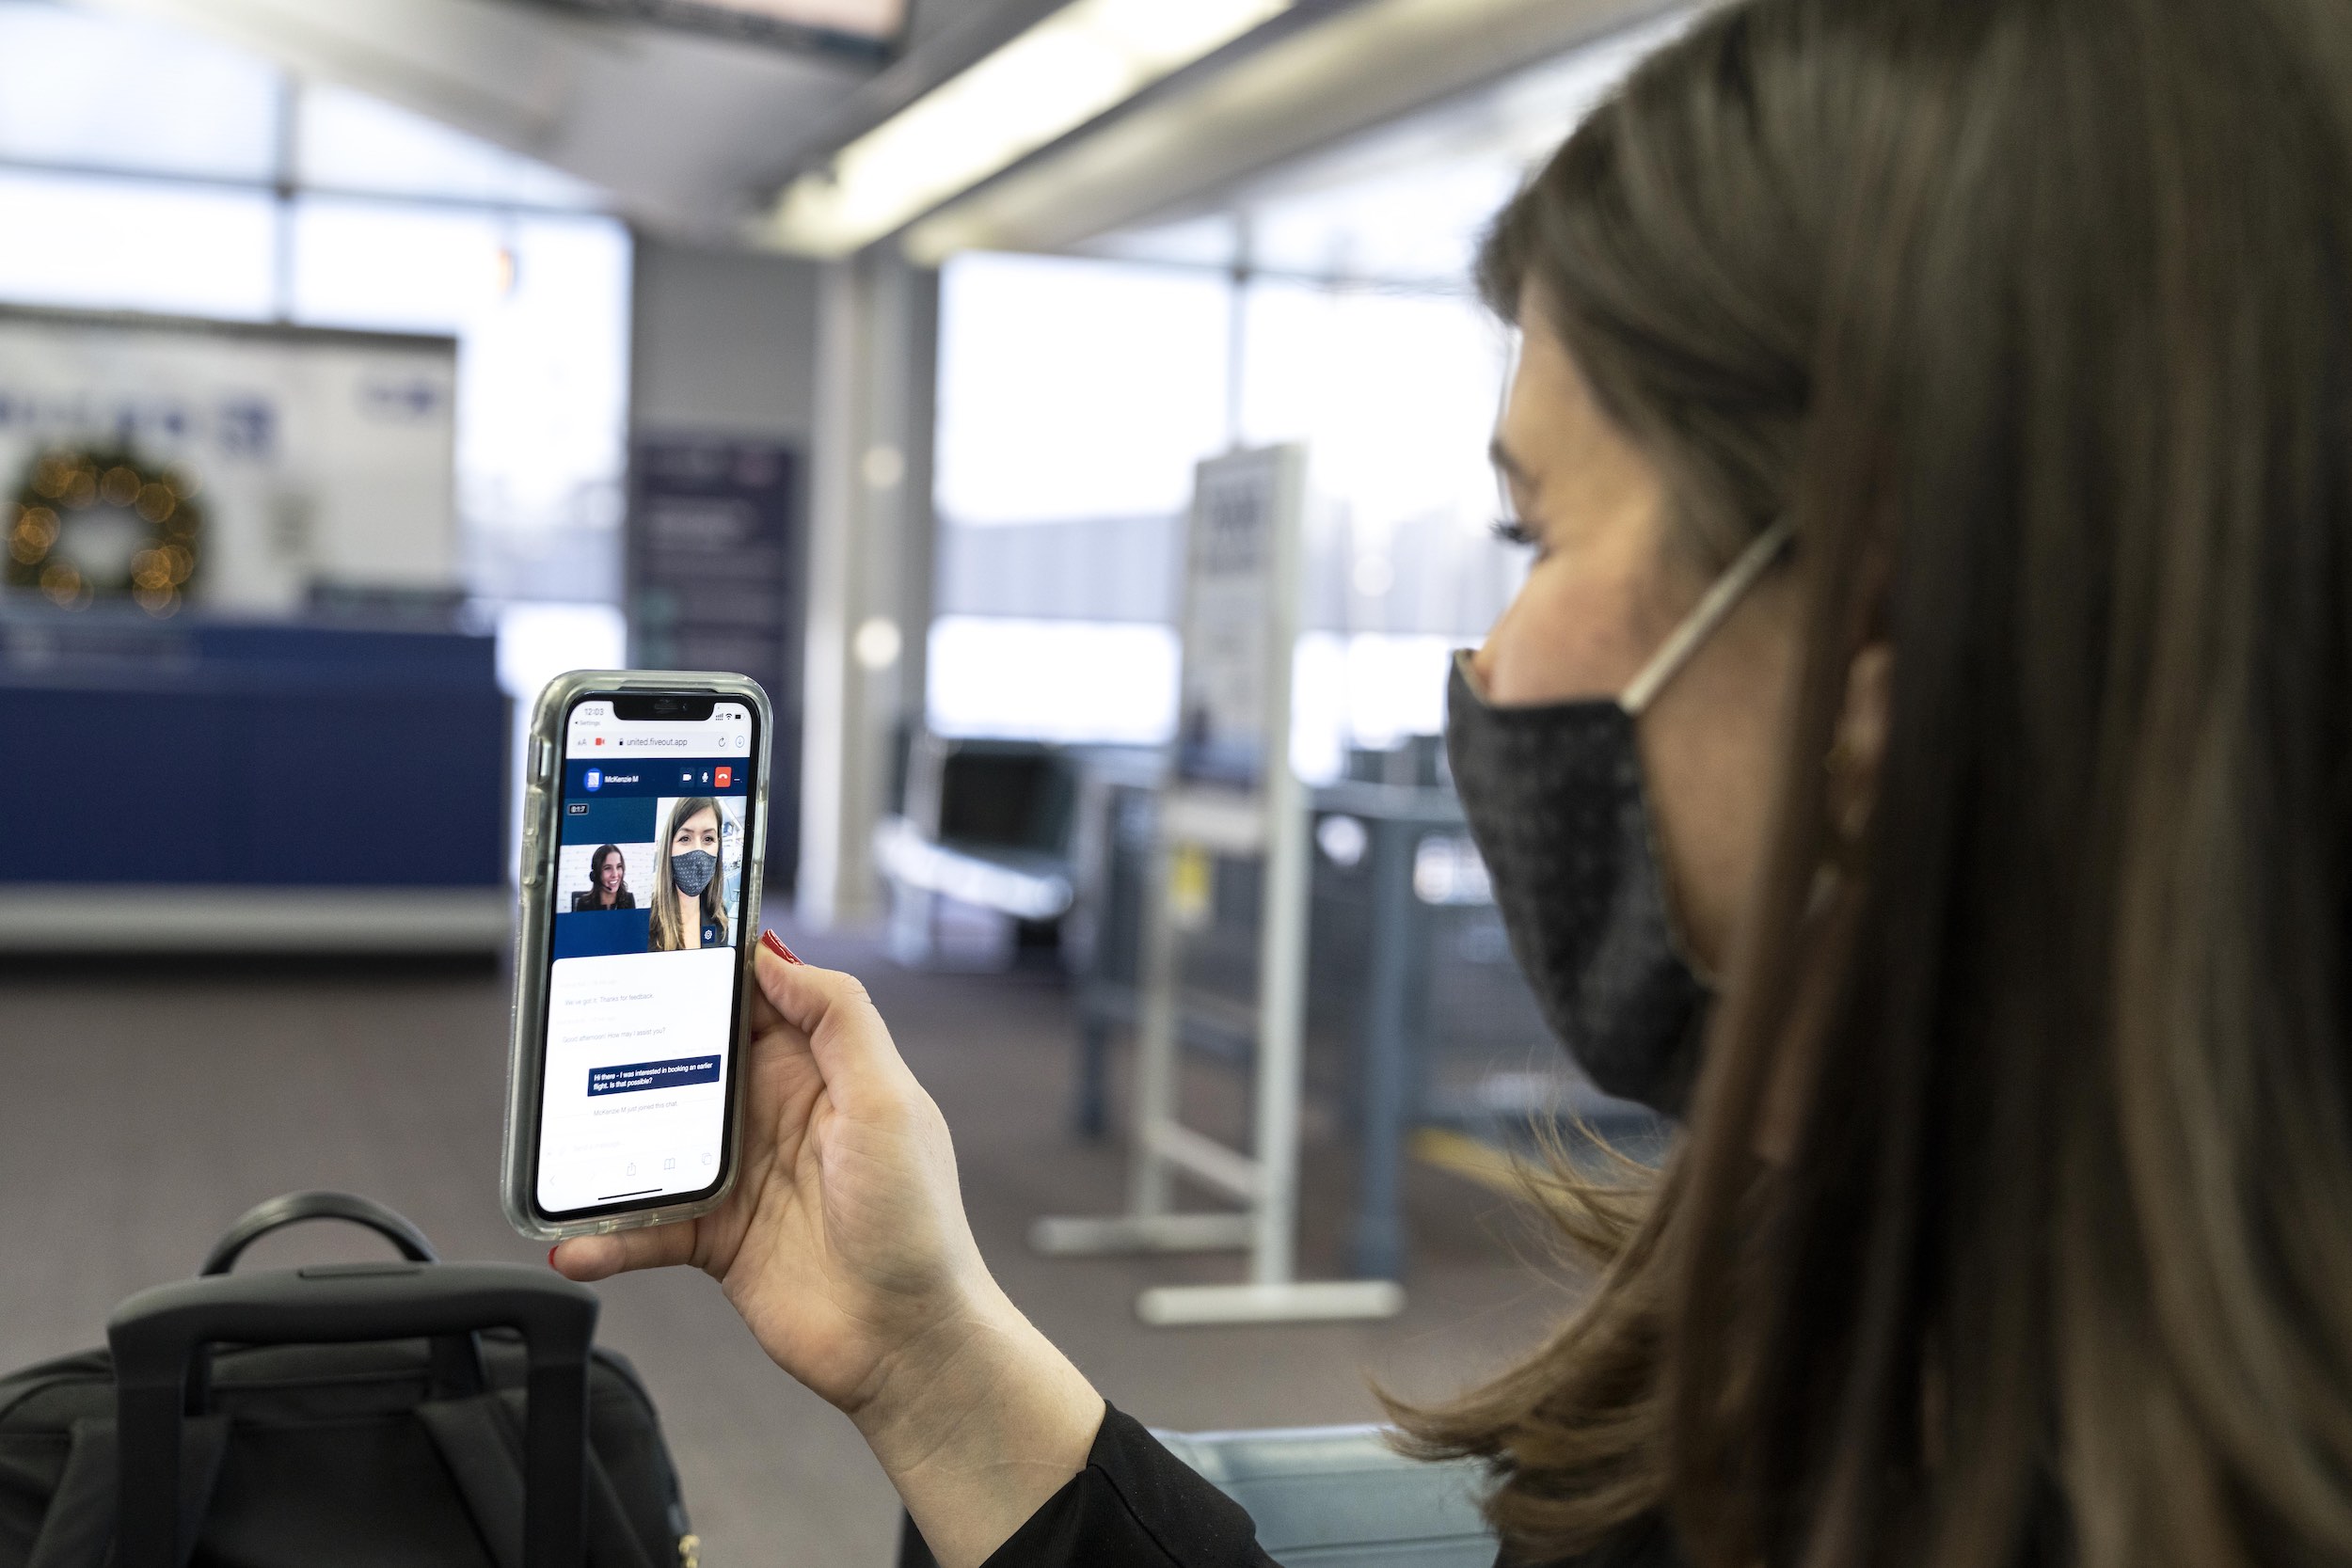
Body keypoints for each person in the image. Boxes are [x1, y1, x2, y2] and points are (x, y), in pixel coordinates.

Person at [556, 0, 2352, 1563]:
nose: (1493, 663)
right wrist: (924, 1349)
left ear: (1878, 633)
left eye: (1537, 528)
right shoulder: (1883, 1309)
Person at [646, 798, 729, 952]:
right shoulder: (647, 919)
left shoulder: (719, 915)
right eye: (685, 838)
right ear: (669, 846)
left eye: (708, 839)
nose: (698, 852)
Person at [570, 845, 634, 912]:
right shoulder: (583, 903)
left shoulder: (629, 899)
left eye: (619, 866)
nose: (615, 875)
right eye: (607, 868)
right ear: (596, 874)